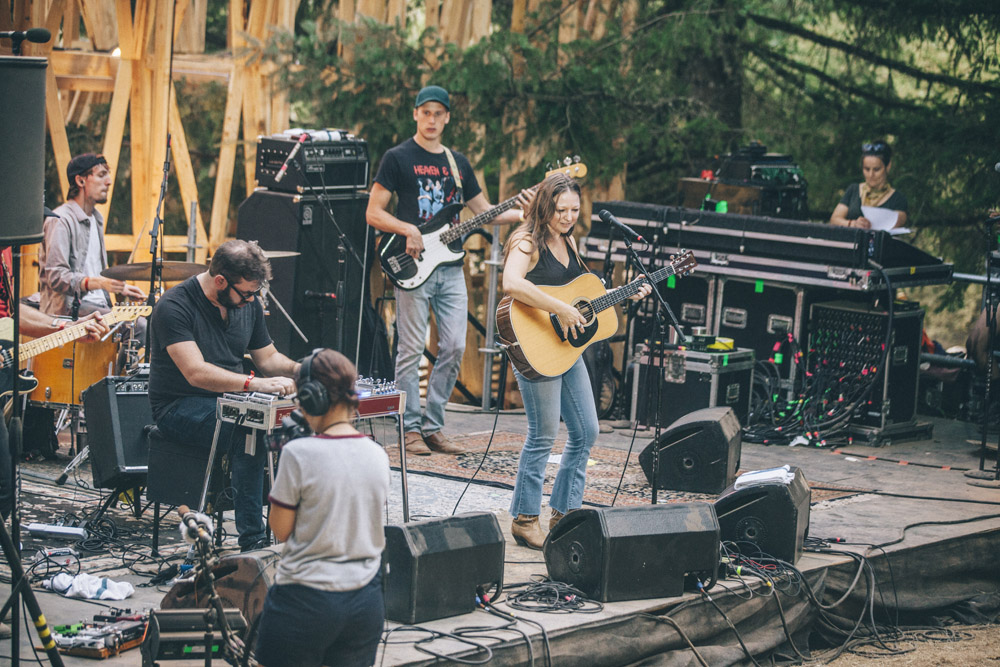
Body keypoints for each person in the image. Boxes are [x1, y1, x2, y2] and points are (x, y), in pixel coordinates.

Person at [367, 84, 528, 456]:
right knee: (410, 348)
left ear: (447, 118)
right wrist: (407, 229)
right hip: (413, 264)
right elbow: (373, 212)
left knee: (454, 345)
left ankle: (433, 426)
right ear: (415, 114)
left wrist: (527, 210)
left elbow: (486, 211)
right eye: (426, 112)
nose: (432, 120)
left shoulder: (458, 164)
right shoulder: (397, 157)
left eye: (439, 114)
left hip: (451, 264)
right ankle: (408, 429)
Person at [500, 174, 651, 549]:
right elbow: (512, 283)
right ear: (544, 206)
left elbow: (580, 297)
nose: (568, 217)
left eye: (574, 210)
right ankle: (525, 518)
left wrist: (623, 294)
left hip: (566, 348)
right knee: (543, 435)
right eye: (560, 210)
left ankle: (565, 514)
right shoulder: (526, 240)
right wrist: (560, 309)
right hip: (535, 345)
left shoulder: (569, 240)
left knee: (587, 432)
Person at [148, 239, 299, 552]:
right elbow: (196, 373)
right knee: (251, 429)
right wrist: (254, 384)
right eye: (246, 293)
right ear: (220, 281)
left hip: (232, 399)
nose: (251, 300)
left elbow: (268, 359)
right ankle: (253, 544)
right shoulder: (173, 306)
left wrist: (305, 369)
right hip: (179, 406)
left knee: (293, 425)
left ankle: (293, 533)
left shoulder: (248, 303)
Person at [254, 349, 389, 667]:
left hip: (305, 601)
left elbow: (281, 530)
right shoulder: (377, 454)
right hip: (366, 601)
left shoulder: (299, 453)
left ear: (311, 398)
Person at [39, 153, 147, 340]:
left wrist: (122, 288)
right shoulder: (60, 220)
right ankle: (121, 371)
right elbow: (56, 276)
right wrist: (99, 283)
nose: (109, 181)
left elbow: (93, 270)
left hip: (96, 304)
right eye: (101, 175)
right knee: (138, 327)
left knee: (152, 318)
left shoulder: (96, 219)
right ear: (80, 180)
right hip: (68, 309)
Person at [830, 140, 909, 230]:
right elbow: (834, 219)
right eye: (867, 169)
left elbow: (897, 223)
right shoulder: (854, 190)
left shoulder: (898, 199)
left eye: (876, 169)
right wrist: (853, 224)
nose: (871, 175)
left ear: (888, 167)